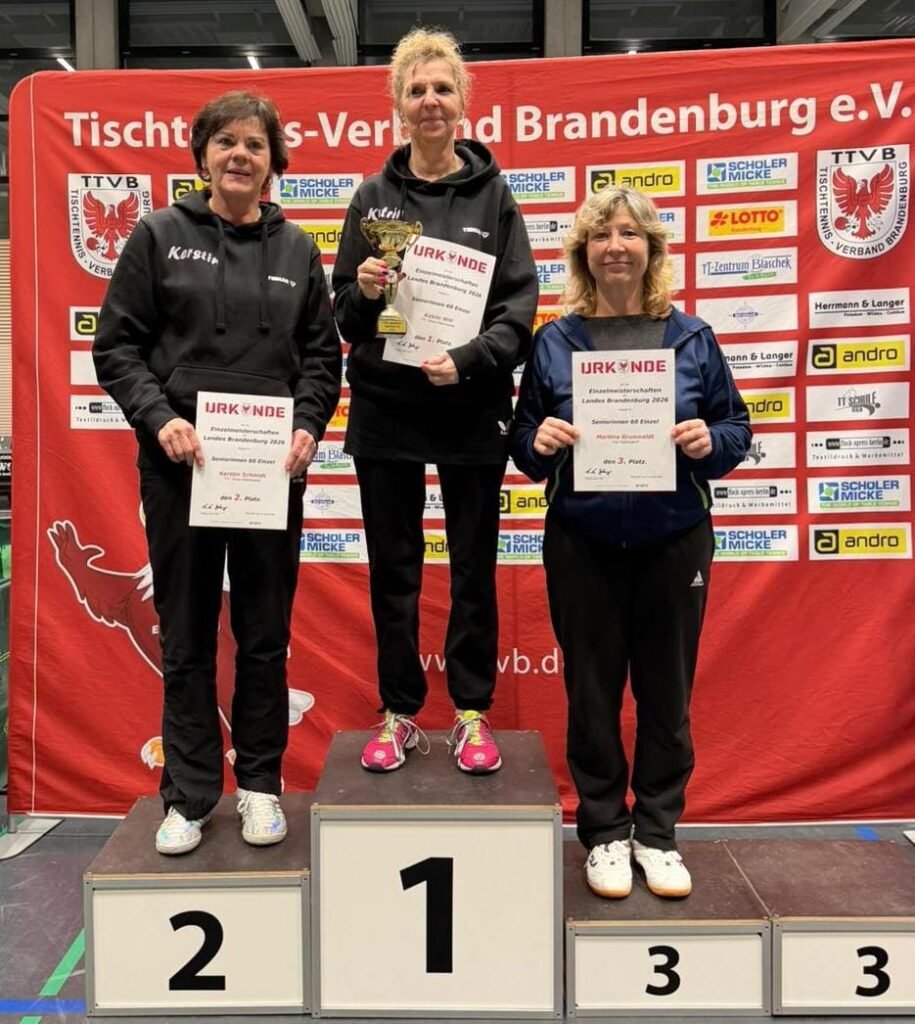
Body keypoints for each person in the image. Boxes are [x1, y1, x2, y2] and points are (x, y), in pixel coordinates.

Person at [93, 91, 341, 855]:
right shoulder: (158, 235)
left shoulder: (297, 250)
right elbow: (116, 347)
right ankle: (191, 794)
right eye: (226, 142)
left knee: (265, 637)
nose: (240, 155)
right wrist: (157, 416)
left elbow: (321, 358)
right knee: (187, 636)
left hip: (268, 473)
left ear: (273, 162)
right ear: (202, 155)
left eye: (255, 145)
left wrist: (308, 426)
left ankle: (260, 786)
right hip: (180, 468)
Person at [511, 187, 750, 898]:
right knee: (590, 693)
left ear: (651, 249)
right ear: (582, 252)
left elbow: (735, 429)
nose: (614, 246)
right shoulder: (555, 340)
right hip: (580, 539)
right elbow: (522, 443)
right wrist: (539, 441)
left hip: (673, 538)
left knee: (666, 694)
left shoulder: (692, 337)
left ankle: (657, 833)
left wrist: (710, 441)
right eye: (600, 235)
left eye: (629, 233)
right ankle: (605, 833)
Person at [332, 29, 538, 775]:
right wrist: (364, 292)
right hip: (386, 407)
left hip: (469, 405)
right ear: (398, 104)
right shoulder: (371, 199)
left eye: (442, 88)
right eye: (415, 89)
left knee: (472, 568)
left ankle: (472, 713)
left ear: (462, 103)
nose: (429, 101)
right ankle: (398, 713)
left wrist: (470, 359)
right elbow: (344, 318)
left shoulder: (494, 197)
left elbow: (517, 312)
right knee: (395, 569)